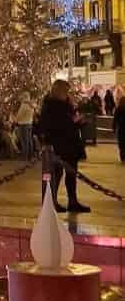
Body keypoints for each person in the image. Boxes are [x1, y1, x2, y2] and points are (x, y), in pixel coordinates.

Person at [36, 79, 90, 214]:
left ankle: (73, 201)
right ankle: (52, 202)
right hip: (59, 145)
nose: (67, 94)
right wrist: (74, 123)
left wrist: (78, 122)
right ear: (59, 91)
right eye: (65, 91)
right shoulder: (51, 106)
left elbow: (68, 121)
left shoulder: (66, 104)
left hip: (70, 144)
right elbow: (55, 126)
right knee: (56, 175)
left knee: (71, 175)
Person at [13, 93, 36, 161]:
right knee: (29, 140)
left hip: (23, 124)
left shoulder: (24, 105)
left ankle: (24, 157)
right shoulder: (31, 105)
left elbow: (19, 115)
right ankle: (30, 156)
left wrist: (15, 120)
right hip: (29, 124)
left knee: (24, 141)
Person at [113, 95, 125, 163]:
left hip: (121, 128)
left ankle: (122, 157)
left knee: (121, 143)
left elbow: (115, 119)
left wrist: (114, 128)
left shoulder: (118, 109)